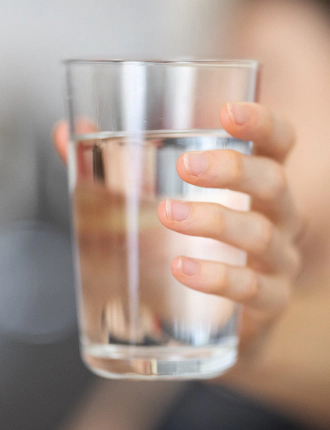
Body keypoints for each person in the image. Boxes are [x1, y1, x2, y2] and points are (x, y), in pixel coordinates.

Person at [54, 0, 330, 429]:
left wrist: (260, 348)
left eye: (266, 76)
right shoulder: (183, 302)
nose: (219, 110)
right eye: (214, 83)